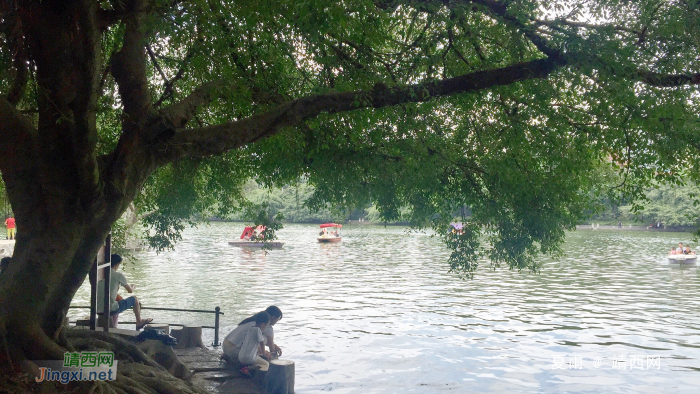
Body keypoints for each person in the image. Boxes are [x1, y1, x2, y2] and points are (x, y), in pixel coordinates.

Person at [96, 254, 152, 329]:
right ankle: (139, 321)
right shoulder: (118, 275)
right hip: (111, 310)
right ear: (117, 264)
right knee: (134, 299)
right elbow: (130, 291)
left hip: (98, 309)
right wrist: (133, 286)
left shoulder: (100, 275)